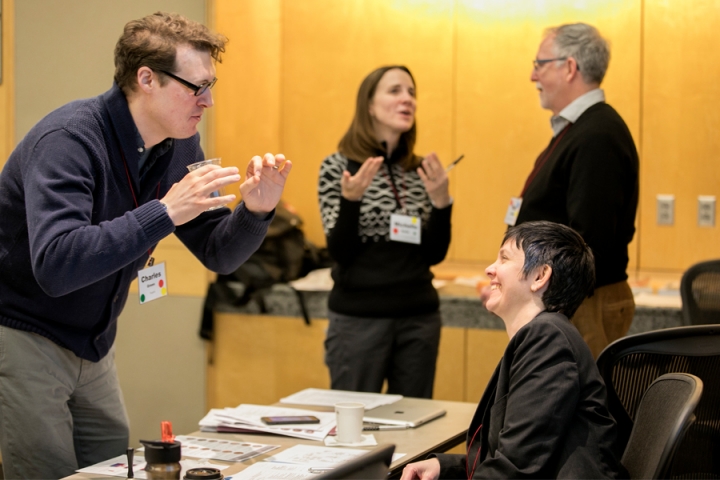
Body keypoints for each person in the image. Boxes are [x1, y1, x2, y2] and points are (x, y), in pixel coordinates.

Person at [0, 12, 291, 479]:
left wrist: (256, 212)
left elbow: (218, 252)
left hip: (95, 343)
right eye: (196, 87)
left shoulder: (180, 146)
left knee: (112, 468)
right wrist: (166, 212)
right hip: (23, 334)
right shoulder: (69, 139)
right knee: (46, 471)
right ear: (146, 79)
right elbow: (56, 266)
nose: (208, 101)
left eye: (211, 85)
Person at [400, 221, 626, 480]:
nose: (490, 269)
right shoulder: (546, 335)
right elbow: (521, 455)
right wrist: (445, 467)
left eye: (504, 259)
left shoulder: (548, 339)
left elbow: (518, 469)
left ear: (540, 276)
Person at [317, 65, 453, 398]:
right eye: (395, 91)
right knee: (354, 432)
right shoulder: (339, 166)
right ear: (369, 106)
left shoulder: (422, 170)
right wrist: (351, 200)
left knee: (415, 433)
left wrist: (441, 204)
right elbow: (341, 252)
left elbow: (434, 255)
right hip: (359, 320)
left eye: (411, 92)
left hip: (418, 318)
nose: (407, 99)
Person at [507, 23, 639, 358]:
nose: (532, 77)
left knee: (577, 408)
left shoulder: (596, 135)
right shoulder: (580, 130)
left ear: (569, 67)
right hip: (567, 306)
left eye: (540, 64)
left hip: (582, 309)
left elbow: (587, 240)